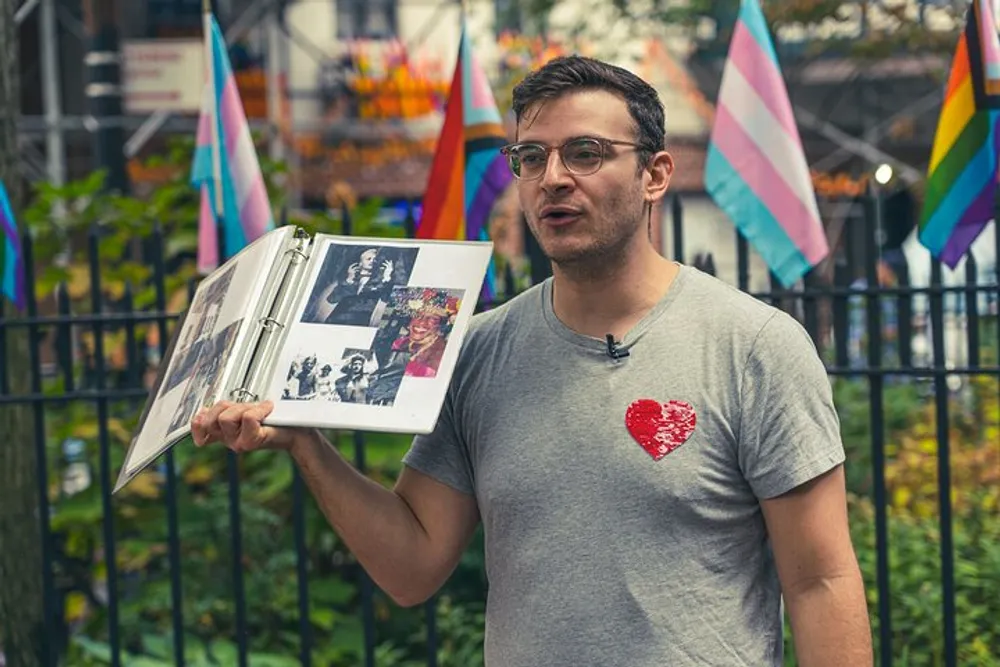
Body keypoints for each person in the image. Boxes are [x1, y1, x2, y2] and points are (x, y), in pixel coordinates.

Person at [192, 56, 872, 665]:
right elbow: (412, 566)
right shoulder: (479, 349)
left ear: (655, 173)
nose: (553, 179)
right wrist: (306, 443)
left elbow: (820, 580)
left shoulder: (754, 345)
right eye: (530, 157)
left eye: (585, 152)